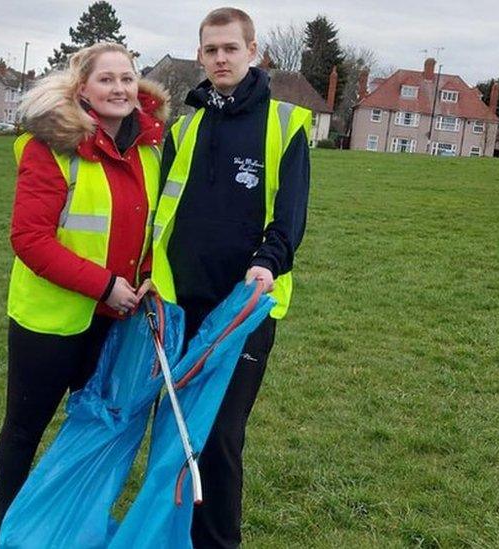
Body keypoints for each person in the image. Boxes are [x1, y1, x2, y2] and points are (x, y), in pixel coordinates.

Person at [146, 7, 312, 548]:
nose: (221, 58)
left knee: (219, 438)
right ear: (200, 55)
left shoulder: (286, 123)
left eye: (231, 48)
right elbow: (161, 213)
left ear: (252, 52)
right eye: (211, 49)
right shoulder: (186, 126)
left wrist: (267, 261)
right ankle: (175, 537)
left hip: (243, 309)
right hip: (178, 306)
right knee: (174, 433)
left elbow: (290, 217)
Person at [0, 42, 169, 537]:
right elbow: (28, 238)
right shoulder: (49, 147)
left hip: (118, 321)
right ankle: (9, 533)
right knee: (24, 432)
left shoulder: (152, 149)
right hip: (50, 321)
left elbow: (156, 225)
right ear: (82, 89)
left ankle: (68, 527)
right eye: (106, 79)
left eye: (127, 79)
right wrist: (104, 286)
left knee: (93, 430)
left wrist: (149, 274)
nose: (119, 89)